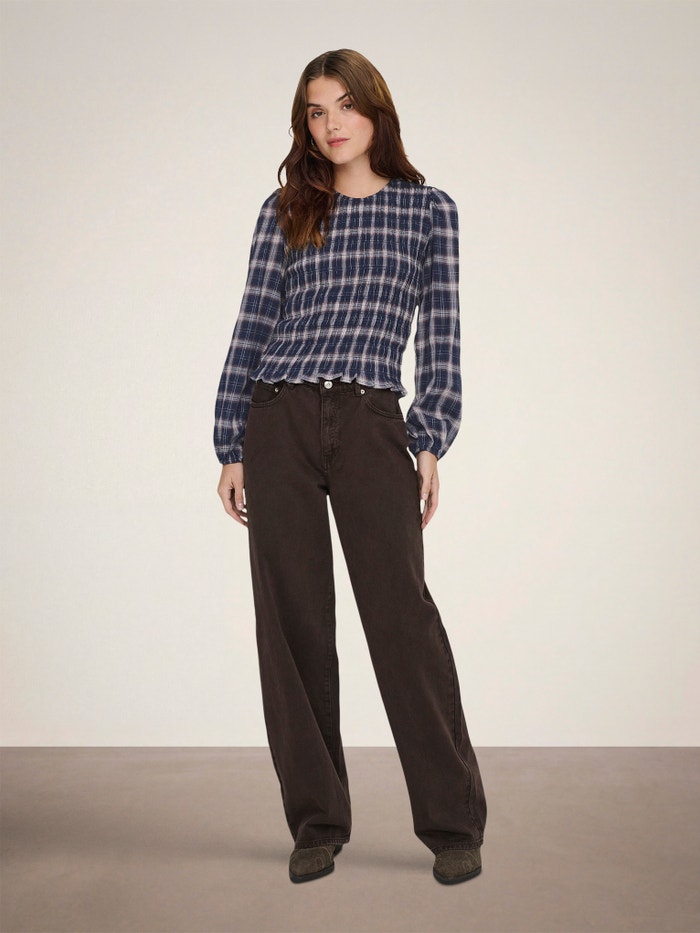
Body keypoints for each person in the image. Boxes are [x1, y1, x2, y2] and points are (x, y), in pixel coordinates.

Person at [214, 48, 487, 885]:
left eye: (344, 106)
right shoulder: (287, 210)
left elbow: (441, 332)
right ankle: (318, 821)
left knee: (403, 619)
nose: (331, 124)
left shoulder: (427, 210)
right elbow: (253, 322)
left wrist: (430, 436)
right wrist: (231, 442)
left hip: (371, 420)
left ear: (375, 110)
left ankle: (452, 823)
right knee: (292, 624)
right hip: (279, 416)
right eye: (315, 111)